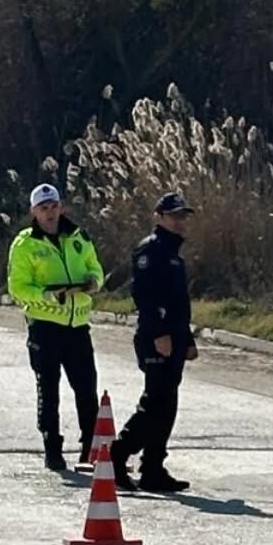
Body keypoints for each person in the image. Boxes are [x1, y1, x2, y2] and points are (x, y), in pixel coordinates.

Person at [6, 184, 105, 473]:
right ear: (33, 212)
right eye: (43, 208)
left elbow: (96, 267)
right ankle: (52, 446)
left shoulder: (78, 236)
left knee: (87, 389)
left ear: (61, 207)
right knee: (48, 389)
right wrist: (46, 294)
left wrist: (92, 282)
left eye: (54, 206)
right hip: (45, 328)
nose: (50, 213)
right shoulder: (25, 244)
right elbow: (17, 287)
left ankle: (90, 446)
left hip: (77, 326)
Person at [110, 192, 198, 493]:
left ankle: (153, 469)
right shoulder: (150, 251)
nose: (180, 221)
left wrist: (187, 340)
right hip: (155, 339)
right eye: (174, 216)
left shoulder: (174, 255)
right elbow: (145, 298)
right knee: (154, 403)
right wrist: (159, 334)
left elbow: (179, 304)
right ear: (158, 217)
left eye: (183, 216)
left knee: (167, 405)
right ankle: (117, 455)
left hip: (174, 339)